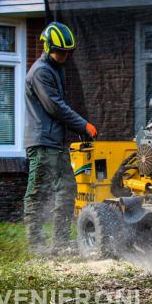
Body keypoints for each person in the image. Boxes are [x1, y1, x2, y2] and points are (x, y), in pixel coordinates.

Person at [23, 22, 97, 255]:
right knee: (37, 193)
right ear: (47, 47)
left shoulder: (56, 68)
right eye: (61, 51)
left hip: (54, 142)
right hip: (42, 143)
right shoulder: (41, 72)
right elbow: (55, 107)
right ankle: (36, 245)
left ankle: (61, 243)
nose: (65, 55)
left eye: (68, 52)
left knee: (65, 190)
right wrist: (82, 125)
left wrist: (77, 128)